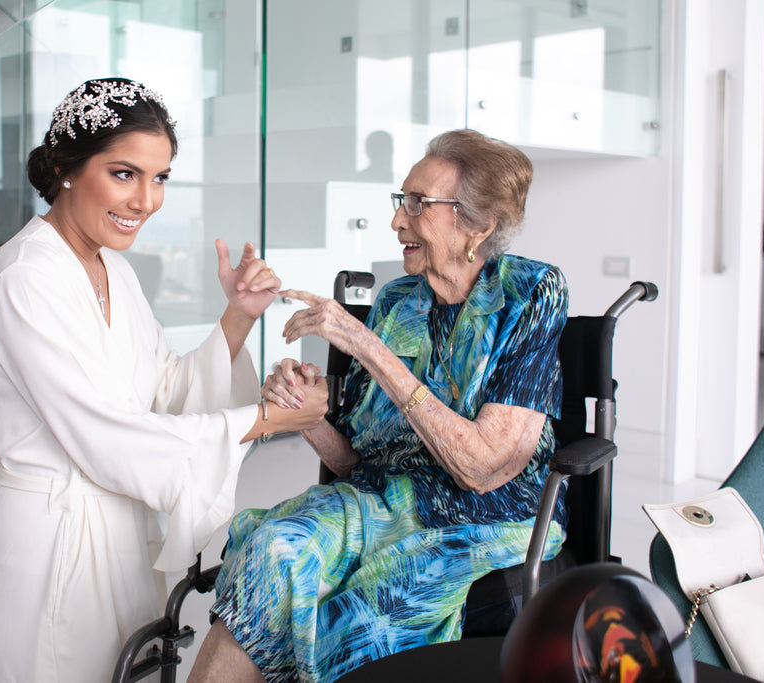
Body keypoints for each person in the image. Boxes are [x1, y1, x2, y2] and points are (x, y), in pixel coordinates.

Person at [0, 78, 328, 682]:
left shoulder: (111, 269)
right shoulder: (27, 277)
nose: (147, 201)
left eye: (160, 178)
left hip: (114, 544)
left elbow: (164, 394)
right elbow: (107, 436)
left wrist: (238, 317)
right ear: (63, 165)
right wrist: (268, 420)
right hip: (43, 553)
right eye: (125, 173)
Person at [189, 128, 569, 683]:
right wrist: (307, 413)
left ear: (478, 226)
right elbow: (354, 464)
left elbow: (483, 468)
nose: (398, 220)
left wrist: (365, 345)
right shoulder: (397, 302)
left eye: (418, 204)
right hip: (384, 499)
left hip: (491, 517)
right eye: (401, 201)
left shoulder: (530, 292)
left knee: (370, 606)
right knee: (271, 552)